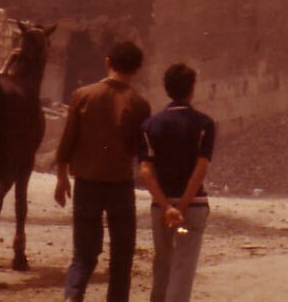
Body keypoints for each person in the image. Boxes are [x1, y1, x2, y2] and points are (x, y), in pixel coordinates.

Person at [55, 39, 151, 302]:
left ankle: (73, 296)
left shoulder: (83, 95)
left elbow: (67, 142)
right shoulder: (139, 104)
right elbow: (139, 150)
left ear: (108, 62)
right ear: (137, 69)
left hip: (86, 183)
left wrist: (62, 179)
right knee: (122, 255)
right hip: (120, 185)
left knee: (84, 253)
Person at [139, 62, 215, 302]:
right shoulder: (205, 124)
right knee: (183, 268)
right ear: (192, 89)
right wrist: (181, 207)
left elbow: (146, 172)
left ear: (166, 89)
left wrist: (167, 207)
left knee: (162, 263)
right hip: (192, 207)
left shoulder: (150, 126)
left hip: (160, 208)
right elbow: (200, 169)